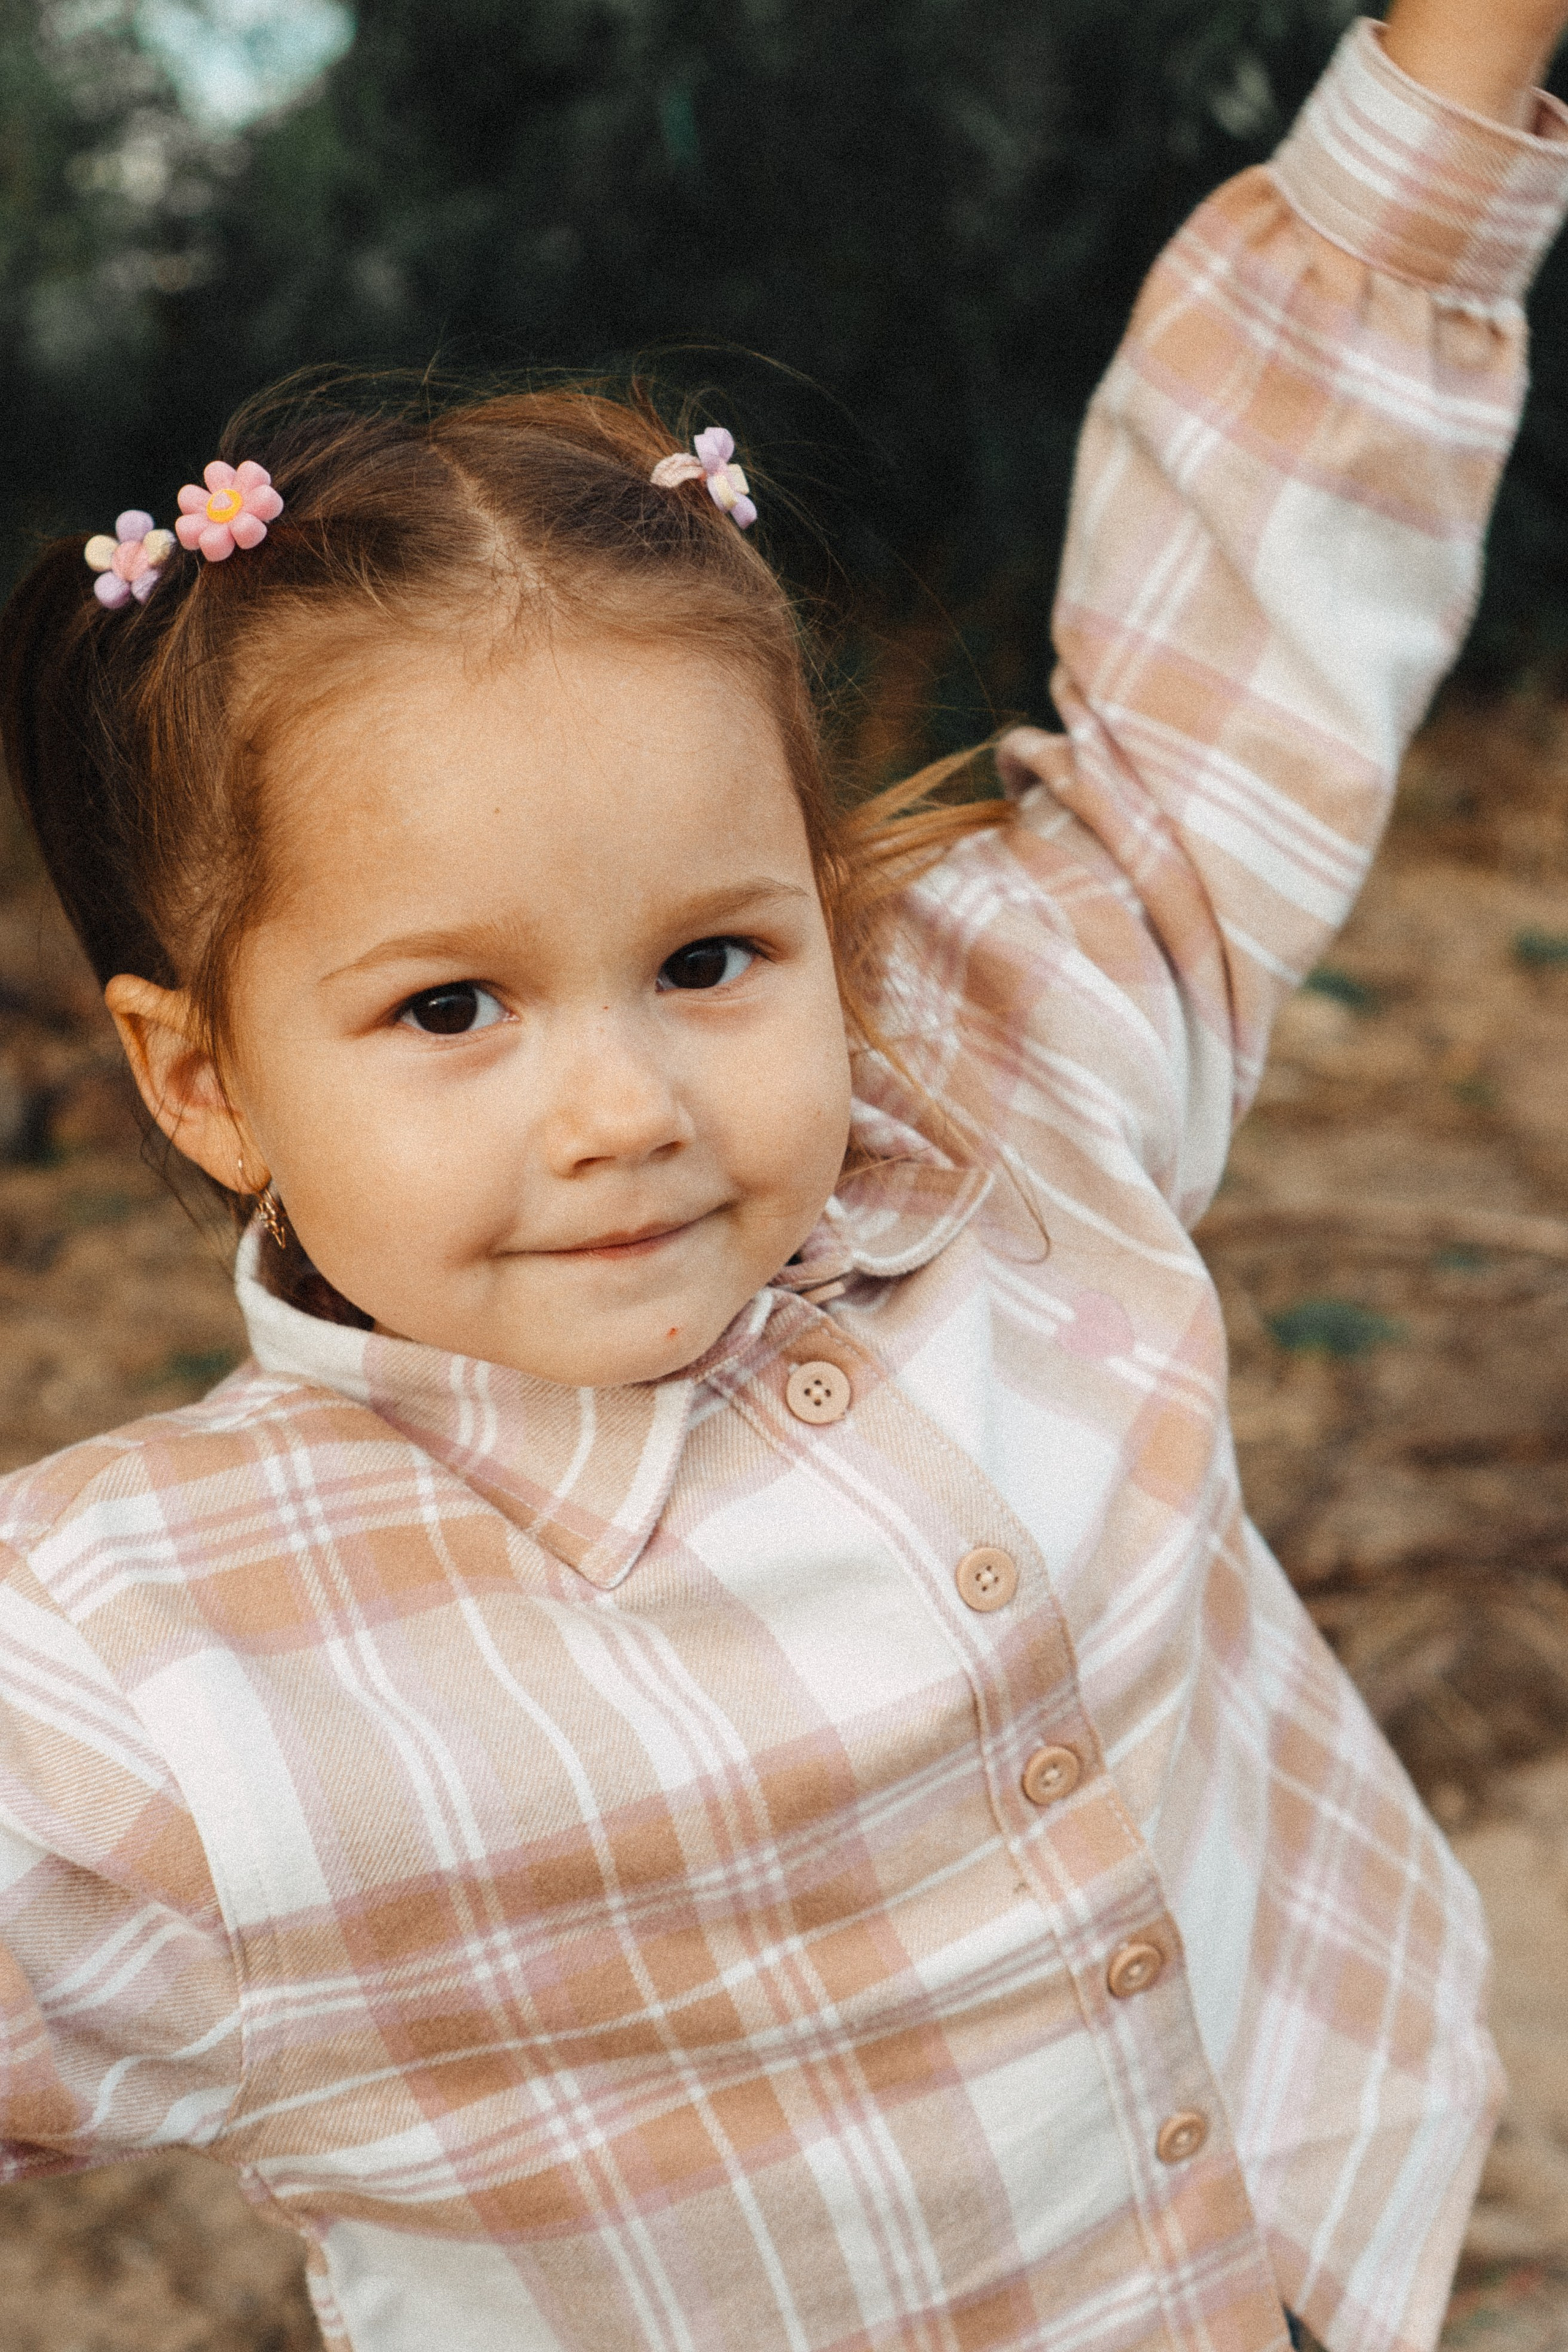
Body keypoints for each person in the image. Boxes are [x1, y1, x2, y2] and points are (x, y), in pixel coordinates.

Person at [1, 4, 1566, 2348]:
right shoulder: (158, 1685)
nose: (621, 1106)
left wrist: (1458, 76)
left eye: (713, 957)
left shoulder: (1000, 1092)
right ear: (202, 1080)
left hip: (1340, 2231)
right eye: (453, 1010)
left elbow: (1232, 654)